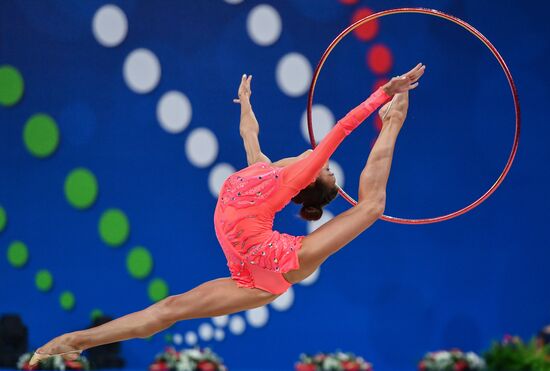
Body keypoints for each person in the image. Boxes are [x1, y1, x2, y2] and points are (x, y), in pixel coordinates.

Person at [29, 63, 425, 365]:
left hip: (281, 262)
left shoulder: (294, 176)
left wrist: (382, 98)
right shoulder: (263, 168)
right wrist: (247, 104)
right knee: (168, 310)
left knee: (372, 206)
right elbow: (249, 135)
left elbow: (339, 129)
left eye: (325, 169)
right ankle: (76, 341)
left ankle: (395, 121)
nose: (321, 161)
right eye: (328, 168)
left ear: (310, 178)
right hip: (246, 275)